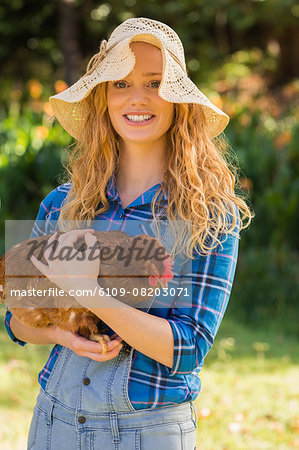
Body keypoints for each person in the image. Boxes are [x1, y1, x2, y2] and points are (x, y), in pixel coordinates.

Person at [4, 17, 253, 450]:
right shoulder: (63, 204)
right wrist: (62, 335)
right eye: (120, 84)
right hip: (54, 420)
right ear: (103, 99)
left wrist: (90, 293)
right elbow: (16, 321)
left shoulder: (209, 216)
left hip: (145, 431)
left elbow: (189, 348)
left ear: (179, 102)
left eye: (155, 83)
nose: (137, 98)